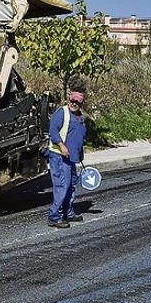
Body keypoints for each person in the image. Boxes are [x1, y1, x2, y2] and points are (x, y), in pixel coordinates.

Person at [46, 90, 87, 228]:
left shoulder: (80, 116)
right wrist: (61, 145)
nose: (73, 103)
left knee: (71, 185)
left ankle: (68, 213)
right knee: (62, 185)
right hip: (59, 156)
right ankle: (54, 216)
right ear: (68, 99)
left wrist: (80, 153)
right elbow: (53, 130)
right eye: (72, 100)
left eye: (77, 102)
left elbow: (79, 136)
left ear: (81, 103)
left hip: (72, 157)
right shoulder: (62, 113)